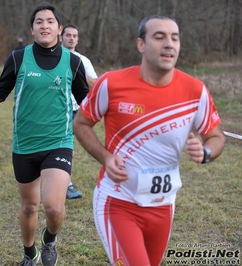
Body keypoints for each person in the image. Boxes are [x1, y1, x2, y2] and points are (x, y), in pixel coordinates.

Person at [73, 14, 226, 266]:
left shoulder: (194, 90)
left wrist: (206, 152)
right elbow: (81, 122)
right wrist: (105, 156)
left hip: (164, 206)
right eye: (159, 37)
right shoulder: (111, 83)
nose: (169, 43)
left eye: (174, 38)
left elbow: (216, 136)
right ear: (141, 45)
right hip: (118, 202)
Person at [0, 2, 89, 265]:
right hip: (24, 144)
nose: (44, 25)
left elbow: (86, 101)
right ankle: (29, 252)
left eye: (49, 21)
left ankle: (50, 240)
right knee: (30, 206)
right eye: (39, 22)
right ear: (32, 29)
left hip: (59, 141)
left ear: (60, 28)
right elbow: (1, 91)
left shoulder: (74, 62)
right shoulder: (19, 57)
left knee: (54, 207)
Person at [60, 23, 98, 199]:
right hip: (55, 109)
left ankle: (63, 183)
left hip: (76, 111)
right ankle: (63, 184)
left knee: (66, 147)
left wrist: (78, 73)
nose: (71, 38)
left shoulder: (83, 61)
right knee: (60, 146)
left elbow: (96, 87)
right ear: (61, 37)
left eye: (74, 36)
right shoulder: (52, 57)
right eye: (68, 35)